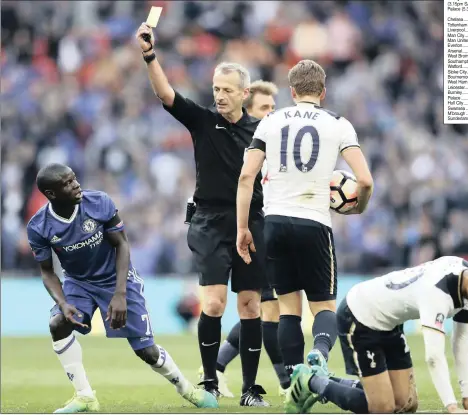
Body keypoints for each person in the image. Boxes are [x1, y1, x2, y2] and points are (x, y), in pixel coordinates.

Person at [136, 23, 268, 406]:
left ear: (245, 93)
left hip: (251, 222)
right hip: (209, 222)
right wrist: (149, 55)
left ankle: (250, 389)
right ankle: (210, 381)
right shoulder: (202, 121)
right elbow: (165, 93)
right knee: (212, 304)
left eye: (228, 90)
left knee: (250, 306)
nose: (220, 96)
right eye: (216, 89)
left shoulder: (262, 132)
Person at [26, 163, 217, 413]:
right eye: (68, 183)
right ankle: (85, 397)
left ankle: (187, 390)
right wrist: (63, 303)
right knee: (57, 324)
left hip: (117, 278)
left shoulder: (99, 202)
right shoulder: (39, 226)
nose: (76, 184)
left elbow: (122, 245)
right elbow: (47, 271)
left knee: (146, 351)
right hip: (78, 283)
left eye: (75, 178)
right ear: (51, 194)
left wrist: (120, 294)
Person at [235, 59, 374, 380]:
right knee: (323, 307)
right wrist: (358, 207)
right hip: (313, 222)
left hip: (274, 222)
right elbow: (364, 180)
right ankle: (320, 352)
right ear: (323, 92)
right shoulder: (339, 123)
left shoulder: (270, 122)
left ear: (291, 91)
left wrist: (243, 228)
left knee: (288, 310)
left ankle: (296, 379)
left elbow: (246, 177)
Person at [284, 253, 468, 414]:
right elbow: (434, 356)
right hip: (360, 315)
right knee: (382, 408)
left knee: (406, 405)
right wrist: (452, 407)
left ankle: (331, 380)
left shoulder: (466, 277)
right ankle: (310, 381)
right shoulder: (438, 294)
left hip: (390, 324)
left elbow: (461, 341)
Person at [211, 81, 291, 398]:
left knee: (258, 310)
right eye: (263, 109)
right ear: (248, 112)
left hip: (274, 233)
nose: (270, 116)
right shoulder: (246, 151)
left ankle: (215, 368)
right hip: (254, 235)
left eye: (273, 109)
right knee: (266, 312)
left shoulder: (274, 148)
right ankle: (288, 384)